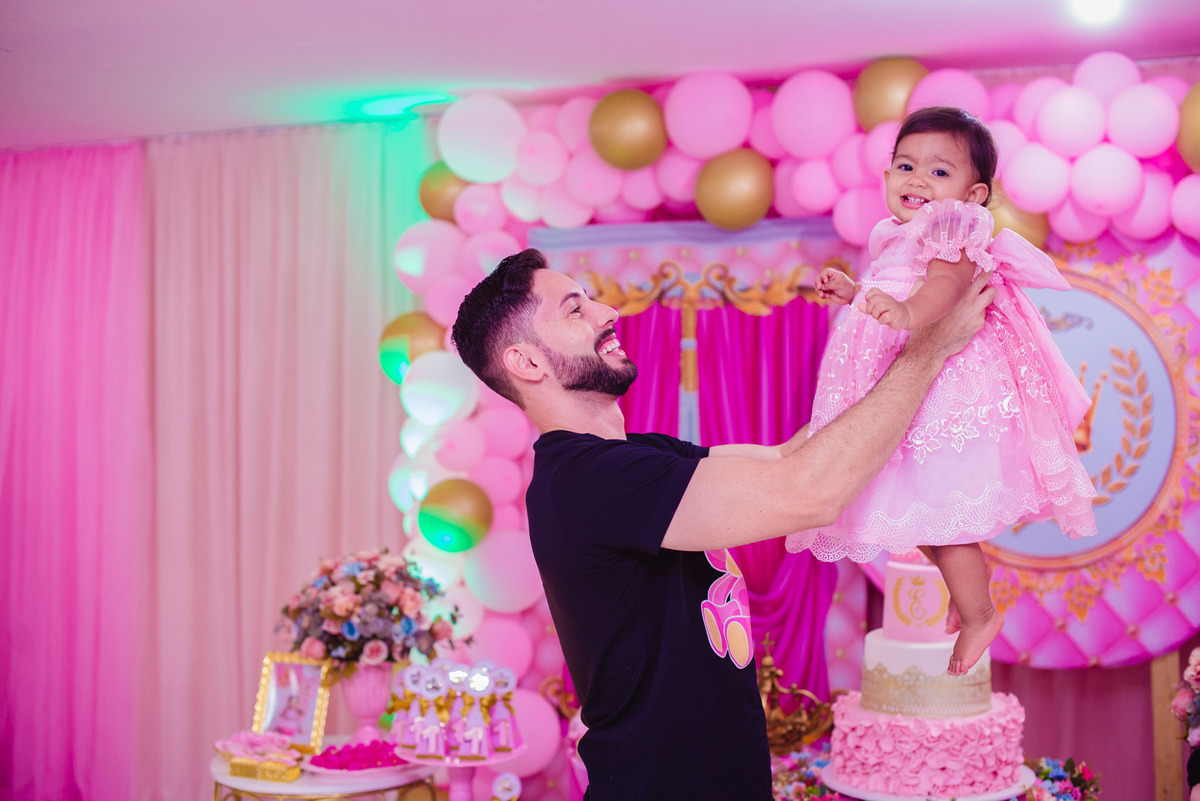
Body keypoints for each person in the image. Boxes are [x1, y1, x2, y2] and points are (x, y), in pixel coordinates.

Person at [450, 244, 993, 800]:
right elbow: (812, 492)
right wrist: (927, 353)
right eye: (574, 309)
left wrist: (893, 355)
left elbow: (789, 456)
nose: (607, 312)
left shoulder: (639, 455)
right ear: (528, 363)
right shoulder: (588, 479)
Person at [788, 106, 1097, 676]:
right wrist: (857, 292)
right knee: (917, 514)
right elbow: (892, 288)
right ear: (886, 176)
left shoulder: (951, 228)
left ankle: (981, 615)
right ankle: (966, 594)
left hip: (937, 393)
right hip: (900, 387)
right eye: (906, 166)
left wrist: (907, 312)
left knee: (937, 515)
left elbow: (944, 289)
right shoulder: (896, 236)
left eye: (939, 171)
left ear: (973, 195)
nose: (918, 181)